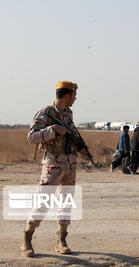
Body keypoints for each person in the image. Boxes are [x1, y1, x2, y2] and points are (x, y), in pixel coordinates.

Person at [22, 81, 81, 257]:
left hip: (69, 165)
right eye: (73, 95)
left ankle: (61, 240)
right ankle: (27, 239)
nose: (75, 98)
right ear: (65, 96)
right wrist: (52, 130)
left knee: (66, 203)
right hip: (52, 165)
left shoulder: (68, 114)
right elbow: (31, 137)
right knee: (42, 203)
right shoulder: (46, 113)